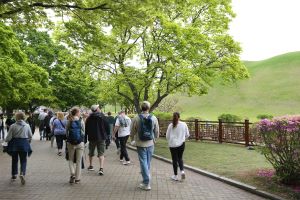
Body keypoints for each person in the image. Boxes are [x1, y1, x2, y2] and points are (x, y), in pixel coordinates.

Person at [130, 101, 159, 191]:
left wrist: (132, 140)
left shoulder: (136, 118)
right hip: (150, 143)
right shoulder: (153, 118)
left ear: (141, 108)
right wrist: (155, 140)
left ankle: (146, 182)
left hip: (140, 143)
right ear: (148, 108)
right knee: (147, 162)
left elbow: (132, 131)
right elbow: (156, 131)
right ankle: (146, 178)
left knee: (143, 162)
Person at [5, 111, 32, 185]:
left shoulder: (13, 126)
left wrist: (6, 141)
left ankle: (14, 175)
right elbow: (30, 136)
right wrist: (28, 142)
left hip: (14, 144)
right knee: (23, 160)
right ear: (23, 117)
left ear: (16, 117)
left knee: (14, 160)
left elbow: (9, 137)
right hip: (24, 144)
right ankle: (22, 173)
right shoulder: (27, 125)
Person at [85, 105, 109, 175]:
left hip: (92, 138)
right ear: (97, 109)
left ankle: (91, 166)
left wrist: (86, 137)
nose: (99, 108)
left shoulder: (89, 118)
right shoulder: (102, 117)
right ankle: (101, 168)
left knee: (91, 152)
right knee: (101, 153)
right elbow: (107, 127)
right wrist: (107, 135)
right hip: (101, 137)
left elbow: (86, 129)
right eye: (98, 108)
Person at [166, 112, 190, 181]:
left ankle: (175, 175)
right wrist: (182, 139)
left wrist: (170, 140)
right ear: (179, 117)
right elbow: (187, 135)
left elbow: (167, 136)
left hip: (172, 145)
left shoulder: (170, 125)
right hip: (182, 144)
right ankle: (182, 171)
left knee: (174, 160)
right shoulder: (184, 124)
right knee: (180, 158)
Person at [66, 107, 85, 184]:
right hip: (80, 143)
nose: (80, 113)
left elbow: (66, 132)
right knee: (78, 161)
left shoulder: (69, 121)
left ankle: (72, 173)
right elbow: (83, 132)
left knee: (70, 159)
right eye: (79, 112)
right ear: (77, 113)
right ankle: (77, 179)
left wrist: (69, 139)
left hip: (70, 143)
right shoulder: (81, 121)